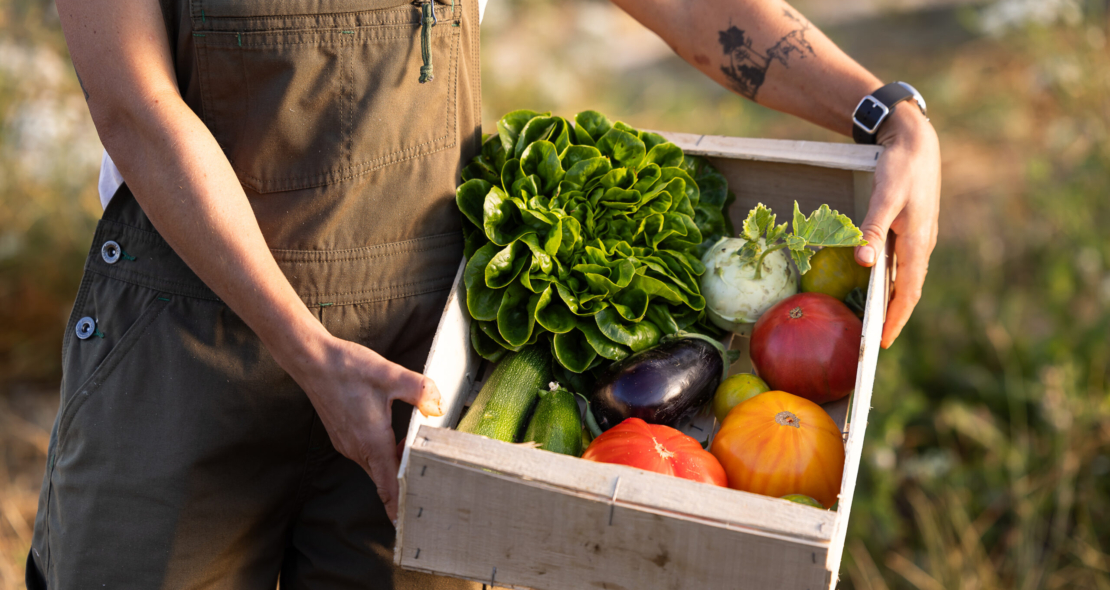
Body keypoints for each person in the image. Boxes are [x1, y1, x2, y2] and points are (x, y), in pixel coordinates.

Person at [28, 0, 939, 587]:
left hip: (423, 373)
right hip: (187, 355)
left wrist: (883, 111)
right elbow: (137, 109)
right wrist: (308, 351)